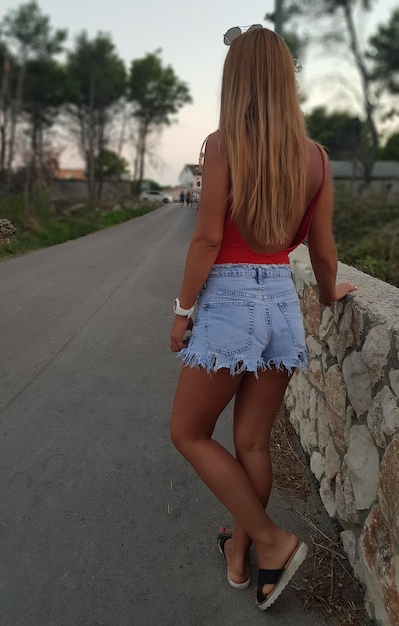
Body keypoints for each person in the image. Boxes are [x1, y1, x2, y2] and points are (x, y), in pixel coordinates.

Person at [169, 25, 356, 611]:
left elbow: (205, 242)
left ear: (237, 80)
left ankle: (272, 542)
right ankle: (239, 551)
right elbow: (323, 254)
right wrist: (329, 295)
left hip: (228, 304)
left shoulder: (224, 145)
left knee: (188, 432)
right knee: (251, 442)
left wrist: (182, 312)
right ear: (285, 78)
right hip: (281, 304)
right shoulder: (316, 158)